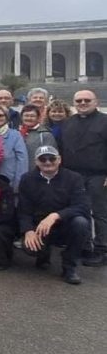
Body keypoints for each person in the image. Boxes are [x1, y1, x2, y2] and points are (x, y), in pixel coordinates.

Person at [17, 146, 92, 284]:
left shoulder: (74, 178)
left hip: (66, 224)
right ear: (36, 162)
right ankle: (43, 254)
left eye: (52, 158)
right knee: (29, 248)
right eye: (42, 159)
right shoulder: (27, 179)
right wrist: (28, 231)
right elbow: (24, 210)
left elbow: (83, 206)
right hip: (39, 226)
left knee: (81, 223)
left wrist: (56, 215)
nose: (47, 162)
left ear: (59, 160)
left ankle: (69, 267)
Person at [59, 89, 107, 267]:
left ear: (96, 102)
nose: (83, 103)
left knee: (100, 213)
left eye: (87, 100)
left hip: (98, 174)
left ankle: (102, 249)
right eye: (78, 101)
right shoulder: (68, 123)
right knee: (80, 210)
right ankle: (84, 246)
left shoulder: (105, 121)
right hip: (73, 174)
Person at [0, 105, 28, 185]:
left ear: (6, 117)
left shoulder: (15, 135)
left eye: (1, 115)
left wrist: (19, 181)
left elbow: (22, 160)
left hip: (9, 179)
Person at [19, 104, 56, 172]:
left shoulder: (45, 135)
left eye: (32, 116)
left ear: (38, 117)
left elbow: (50, 158)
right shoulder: (16, 133)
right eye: (26, 116)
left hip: (37, 173)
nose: (29, 118)